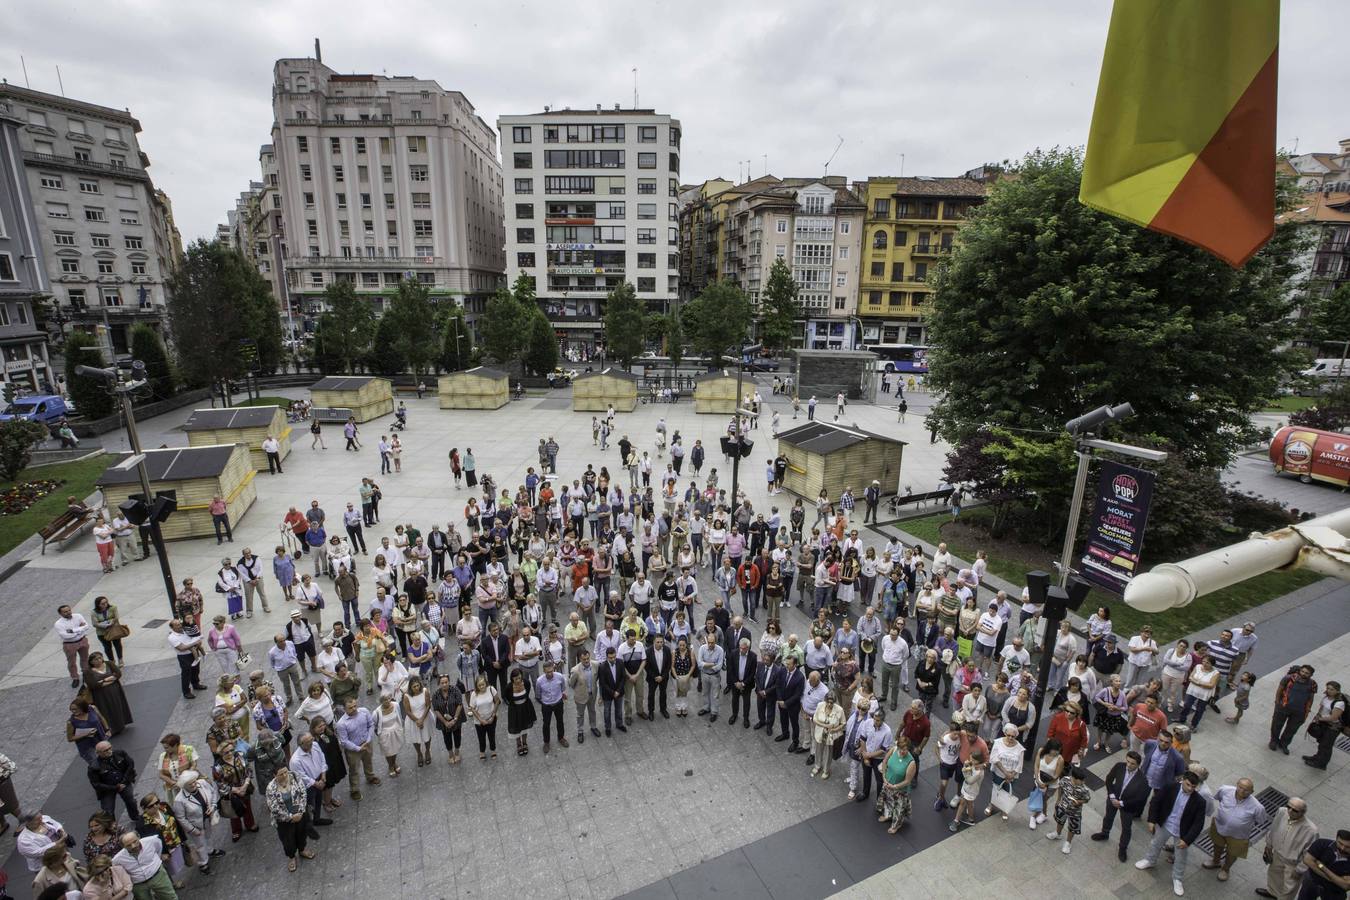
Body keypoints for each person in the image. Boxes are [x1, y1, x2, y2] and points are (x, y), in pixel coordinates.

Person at [1137, 771, 1208, 896]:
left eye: (1193, 786)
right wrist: (1152, 820)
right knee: (1155, 843)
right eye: (1188, 785)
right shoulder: (1170, 787)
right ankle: (1150, 860)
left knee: (1181, 856)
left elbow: (1198, 823)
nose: (1190, 788)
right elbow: (1156, 801)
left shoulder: (1200, 801)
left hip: (1182, 831)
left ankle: (1177, 878)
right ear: (1182, 780)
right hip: (1165, 824)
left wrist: (1187, 840)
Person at [1203, 778, 1270, 883]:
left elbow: (1261, 820)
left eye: (1246, 790)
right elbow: (1219, 798)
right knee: (1217, 845)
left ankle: (1226, 869)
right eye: (1240, 787)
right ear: (1236, 785)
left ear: (1252, 792)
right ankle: (1215, 861)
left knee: (1232, 853)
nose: (1242, 791)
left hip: (1238, 835)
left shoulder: (1257, 807)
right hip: (1219, 826)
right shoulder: (1225, 790)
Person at [1091, 750, 1151, 861]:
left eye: (1132, 763)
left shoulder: (1142, 779)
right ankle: (1105, 833)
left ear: (1138, 764)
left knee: (1126, 828)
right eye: (1127, 761)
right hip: (1113, 799)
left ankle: (1122, 848)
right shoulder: (1119, 766)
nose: (1128, 765)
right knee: (1108, 817)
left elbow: (1140, 798)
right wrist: (1112, 796)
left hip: (1127, 806)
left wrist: (1122, 803)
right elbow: (1109, 780)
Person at [170, 771, 223, 875]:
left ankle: (210, 850)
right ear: (184, 786)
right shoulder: (179, 800)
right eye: (191, 784)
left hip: (207, 819)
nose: (194, 784)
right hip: (195, 826)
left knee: (208, 837)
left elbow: (213, 792)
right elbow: (181, 818)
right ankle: (203, 863)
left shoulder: (202, 783)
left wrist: (213, 806)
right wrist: (193, 830)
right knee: (199, 845)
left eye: (194, 781)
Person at [265, 767, 315, 873]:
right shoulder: (271, 787)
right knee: (288, 840)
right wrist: (290, 817)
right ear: (274, 775)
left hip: (300, 815)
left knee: (302, 834)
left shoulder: (295, 777)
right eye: (280, 774)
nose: (284, 775)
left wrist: (300, 812)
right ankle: (291, 857)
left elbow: (303, 794)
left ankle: (302, 850)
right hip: (284, 821)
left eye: (285, 772)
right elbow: (273, 807)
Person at [112, 831, 178, 898]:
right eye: (128, 845)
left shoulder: (151, 841)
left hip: (158, 876)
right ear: (123, 846)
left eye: (135, 841)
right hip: (138, 885)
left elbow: (159, 848)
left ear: (139, 837)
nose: (133, 846)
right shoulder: (117, 859)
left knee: (170, 897)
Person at [1269, 664, 1318, 756]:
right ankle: (1274, 741)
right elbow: (1280, 689)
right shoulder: (1289, 678)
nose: (1303, 674)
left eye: (1307, 673)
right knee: (1277, 724)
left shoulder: (1313, 684)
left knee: (1292, 729)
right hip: (1284, 706)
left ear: (1311, 675)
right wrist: (1277, 702)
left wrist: (1307, 709)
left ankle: (1284, 744)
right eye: (1302, 671)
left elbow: (1311, 698)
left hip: (1299, 711)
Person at [1044, 766, 1091, 853]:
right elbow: (1060, 787)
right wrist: (1058, 799)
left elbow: (1087, 799)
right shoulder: (1065, 780)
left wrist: (1079, 802)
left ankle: (1068, 842)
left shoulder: (1084, 789)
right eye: (1081, 780)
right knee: (1060, 821)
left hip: (1075, 812)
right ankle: (1057, 833)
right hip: (1063, 806)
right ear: (1074, 778)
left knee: (1072, 827)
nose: (1083, 782)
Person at [87, 742, 137, 820]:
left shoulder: (120, 753)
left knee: (131, 801)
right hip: (107, 790)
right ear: (98, 753)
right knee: (108, 811)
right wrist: (115, 788)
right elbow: (96, 784)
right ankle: (112, 827)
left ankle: (135, 817)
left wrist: (124, 781)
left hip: (123, 783)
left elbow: (130, 764)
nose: (109, 751)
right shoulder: (94, 767)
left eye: (110, 748)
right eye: (105, 750)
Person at [1303, 680, 1346, 770]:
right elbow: (1322, 708)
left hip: (1332, 727)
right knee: (1321, 743)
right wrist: (1317, 717)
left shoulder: (1339, 703)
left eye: (1332, 689)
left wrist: (1320, 718)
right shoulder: (1326, 697)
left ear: (1337, 691)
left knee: (1326, 746)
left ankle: (1321, 764)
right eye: (1328, 688)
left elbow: (1333, 717)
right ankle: (1317, 757)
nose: (1329, 691)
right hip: (1324, 724)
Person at [1298, 829, 1350, 900]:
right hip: (1312, 882)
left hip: (1335, 892)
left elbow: (1346, 885)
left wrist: (1322, 867)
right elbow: (1307, 860)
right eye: (1340, 843)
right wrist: (1336, 880)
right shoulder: (1321, 843)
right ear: (1336, 839)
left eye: (1347, 847)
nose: (1342, 848)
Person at [55, 604, 92, 690]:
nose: (68, 612)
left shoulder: (78, 616)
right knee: (71, 662)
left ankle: (86, 674)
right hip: (69, 644)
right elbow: (65, 636)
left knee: (85, 658)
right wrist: (80, 630)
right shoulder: (58, 624)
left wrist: (73, 631)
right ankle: (75, 678)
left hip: (82, 640)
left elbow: (86, 626)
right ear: (60, 614)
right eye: (65, 612)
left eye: (69, 610)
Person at [466, 674, 500, 760]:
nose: (481, 686)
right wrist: (480, 720)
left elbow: (497, 701)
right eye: (479, 685)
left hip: (491, 718)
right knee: (481, 737)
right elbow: (472, 708)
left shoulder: (491, 689)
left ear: (486, 683)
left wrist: (493, 715)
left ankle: (493, 750)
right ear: (476, 686)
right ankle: (482, 751)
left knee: (491, 735)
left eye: (483, 684)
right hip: (479, 721)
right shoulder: (474, 694)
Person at [374, 694, 405, 776]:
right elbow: (374, 724)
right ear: (381, 702)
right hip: (384, 733)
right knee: (388, 752)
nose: (387, 701)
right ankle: (390, 766)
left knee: (394, 750)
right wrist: (379, 735)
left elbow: (399, 715)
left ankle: (394, 763)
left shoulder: (396, 705)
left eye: (388, 698)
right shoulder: (377, 712)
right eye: (385, 700)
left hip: (395, 731)